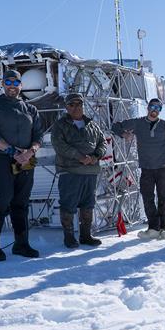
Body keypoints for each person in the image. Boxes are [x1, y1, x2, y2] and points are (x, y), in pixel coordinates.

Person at [0, 69, 44, 261]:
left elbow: (38, 135)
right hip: (2, 158)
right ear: (3, 84)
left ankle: (21, 244)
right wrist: (12, 152)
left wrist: (30, 152)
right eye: (9, 83)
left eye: (16, 83)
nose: (12, 87)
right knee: (2, 200)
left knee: (21, 202)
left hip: (25, 160)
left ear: (21, 86)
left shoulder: (31, 109)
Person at [111, 98, 165, 240]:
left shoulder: (164, 125)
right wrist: (124, 134)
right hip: (147, 168)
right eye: (152, 106)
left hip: (163, 167)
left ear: (160, 110)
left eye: (158, 108)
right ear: (148, 107)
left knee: (163, 198)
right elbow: (115, 126)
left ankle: (163, 229)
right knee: (147, 197)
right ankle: (153, 228)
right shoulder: (138, 123)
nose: (154, 110)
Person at [51, 93, 106, 248]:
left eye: (79, 104)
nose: (76, 107)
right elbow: (59, 145)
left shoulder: (92, 125)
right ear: (66, 107)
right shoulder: (60, 125)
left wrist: (95, 157)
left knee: (88, 205)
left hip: (90, 172)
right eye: (72, 104)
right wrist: (80, 157)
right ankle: (68, 237)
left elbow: (102, 143)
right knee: (68, 205)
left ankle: (86, 235)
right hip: (70, 171)